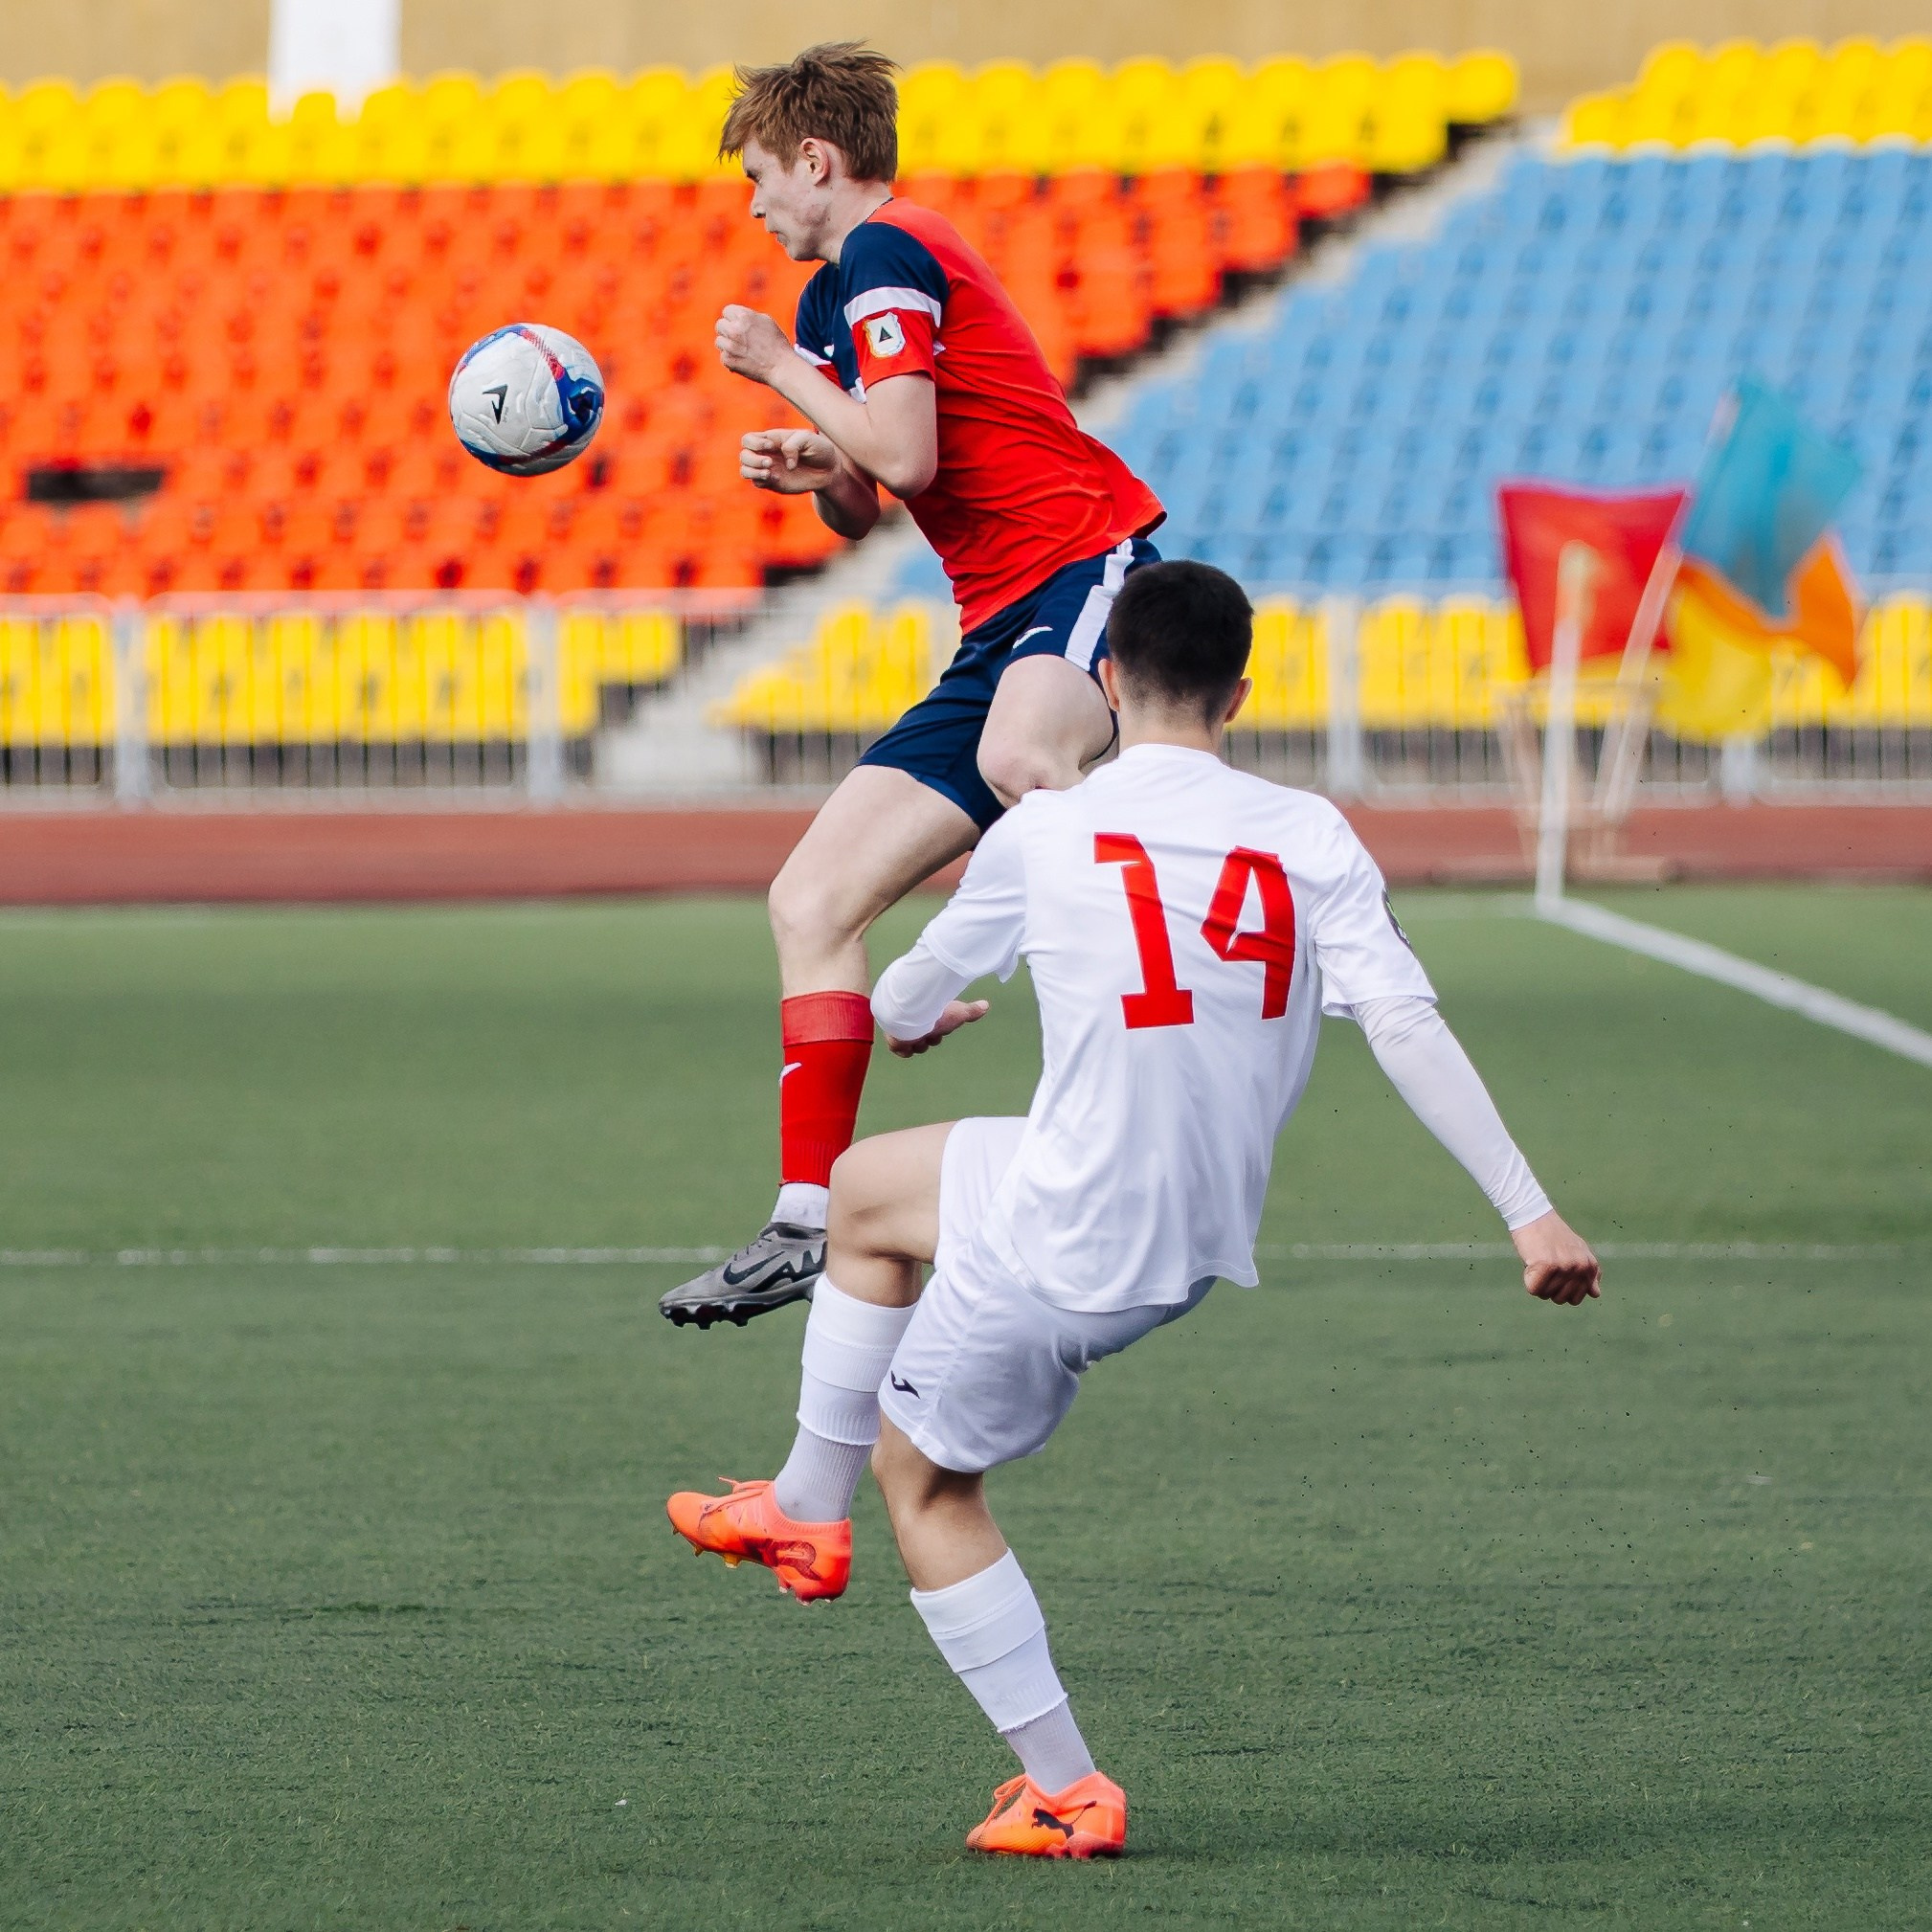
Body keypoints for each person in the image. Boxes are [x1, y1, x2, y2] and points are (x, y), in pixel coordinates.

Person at [665, 561, 1603, 1857]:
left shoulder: (1045, 830)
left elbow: (890, 996)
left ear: (1105, 684)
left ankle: (1064, 1784)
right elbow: (1401, 1020)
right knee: (870, 1192)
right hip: (1182, 1214)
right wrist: (1528, 1212)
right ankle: (797, 1506)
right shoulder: (1311, 830)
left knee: (927, 1481)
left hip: (1073, 1234)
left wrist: (916, 1012)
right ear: (1242, 693)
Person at [660, 43, 1166, 1329]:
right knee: (811, 898)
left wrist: (781, 368)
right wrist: (814, 468)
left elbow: (905, 441)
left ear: (817, 163)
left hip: (1080, 566)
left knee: (1020, 759)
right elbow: (875, 491)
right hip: (996, 617)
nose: (755, 205)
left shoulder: (886, 256)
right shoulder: (844, 293)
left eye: (763, 178)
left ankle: (1145, 1040)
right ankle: (802, 1219)